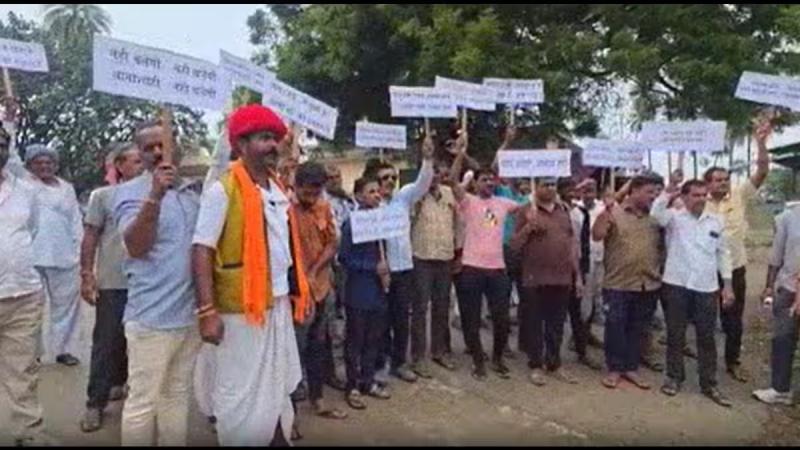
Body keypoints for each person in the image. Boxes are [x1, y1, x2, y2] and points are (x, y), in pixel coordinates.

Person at [191, 105, 312, 446]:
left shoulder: (278, 190)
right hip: (240, 309)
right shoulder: (223, 190)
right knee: (239, 390)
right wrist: (207, 311)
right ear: (241, 145)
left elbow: (286, 251)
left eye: (275, 138)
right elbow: (201, 249)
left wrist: (300, 294)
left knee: (276, 383)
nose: (273, 145)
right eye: (263, 138)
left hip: (278, 304)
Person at [112, 119, 202, 446]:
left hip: (189, 317)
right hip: (150, 319)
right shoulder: (127, 193)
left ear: (175, 145)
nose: (157, 152)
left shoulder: (192, 192)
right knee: (142, 403)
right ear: (139, 153)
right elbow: (136, 247)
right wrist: (154, 196)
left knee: (176, 395)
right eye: (148, 148)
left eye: (162, 144)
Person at [652, 179, 734, 408]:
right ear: (685, 197)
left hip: (706, 287)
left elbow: (723, 254)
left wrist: (727, 286)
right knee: (675, 335)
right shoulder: (673, 218)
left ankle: (709, 384)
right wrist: (669, 191)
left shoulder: (716, 221)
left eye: (703, 195)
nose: (700, 199)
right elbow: (655, 214)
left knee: (707, 337)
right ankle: (674, 377)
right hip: (676, 284)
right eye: (695, 195)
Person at [702, 115, 773, 383]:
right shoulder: (697, 202)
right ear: (707, 184)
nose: (723, 183)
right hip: (706, 271)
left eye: (726, 179)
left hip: (735, 269)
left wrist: (761, 143)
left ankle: (732, 362)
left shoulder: (740, 195)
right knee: (705, 320)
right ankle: (706, 364)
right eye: (718, 180)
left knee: (733, 320)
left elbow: (762, 172)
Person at [79, 142, 144, 432]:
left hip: (148, 283)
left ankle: (123, 384)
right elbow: (90, 236)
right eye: (135, 161)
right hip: (114, 281)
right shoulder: (103, 196)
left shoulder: (157, 194)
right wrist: (86, 274)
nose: (142, 165)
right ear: (119, 165)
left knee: (140, 341)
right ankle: (95, 403)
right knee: (107, 341)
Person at [0, 125, 52, 446]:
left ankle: (28, 432)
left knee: (22, 370)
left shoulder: (25, 191)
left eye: (2, 143)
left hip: (22, 294)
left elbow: (30, 231)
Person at [450, 159, 523, 380]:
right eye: (484, 179)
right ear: (475, 183)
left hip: (497, 270)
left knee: (501, 319)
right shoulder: (468, 202)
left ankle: (497, 359)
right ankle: (477, 361)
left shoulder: (503, 203)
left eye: (492, 179)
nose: (489, 183)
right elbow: (452, 181)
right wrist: (460, 155)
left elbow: (527, 207)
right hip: (471, 269)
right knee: (471, 319)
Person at [372, 133, 435, 384]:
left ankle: (400, 363)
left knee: (401, 319)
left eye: (393, 177)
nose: (389, 181)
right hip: (381, 272)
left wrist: (427, 159)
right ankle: (380, 363)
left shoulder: (403, 198)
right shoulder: (370, 205)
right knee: (380, 320)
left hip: (404, 269)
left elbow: (423, 183)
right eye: (384, 178)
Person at [591, 176, 662, 390]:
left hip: (647, 284)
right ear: (635, 191)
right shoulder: (614, 213)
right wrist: (605, 213)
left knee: (638, 328)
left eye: (655, 192)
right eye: (649, 192)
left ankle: (631, 367)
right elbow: (597, 235)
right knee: (615, 326)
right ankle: (614, 368)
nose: (653, 196)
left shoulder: (656, 220)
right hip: (618, 284)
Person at [510, 177, 582, 386]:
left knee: (556, 325)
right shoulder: (526, 211)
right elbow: (514, 245)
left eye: (553, 185)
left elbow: (571, 245)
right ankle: (535, 365)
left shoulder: (564, 211)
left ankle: (554, 363)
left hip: (561, 277)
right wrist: (528, 228)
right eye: (545, 185)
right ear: (536, 187)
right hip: (534, 277)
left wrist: (577, 276)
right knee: (534, 323)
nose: (550, 188)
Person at [291, 161, 348, 420]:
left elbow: (332, 243)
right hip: (295, 292)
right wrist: (302, 277)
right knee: (294, 350)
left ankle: (318, 399)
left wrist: (314, 271)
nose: (311, 198)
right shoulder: (284, 210)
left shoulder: (323, 207)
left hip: (322, 287)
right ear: (296, 186)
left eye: (316, 193)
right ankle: (289, 412)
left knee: (318, 344)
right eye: (307, 192)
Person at [25, 143, 84, 366]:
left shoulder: (66, 188)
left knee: (66, 305)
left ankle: (63, 350)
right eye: (38, 163)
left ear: (56, 165)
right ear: (30, 166)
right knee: (31, 307)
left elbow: (75, 220)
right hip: (31, 256)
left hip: (64, 255)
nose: (44, 166)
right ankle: (32, 351)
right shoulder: (23, 185)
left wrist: (79, 249)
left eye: (49, 162)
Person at [338, 176, 392, 410]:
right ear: (359, 196)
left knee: (374, 339)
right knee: (355, 340)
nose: (377, 195)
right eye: (371, 191)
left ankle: (368, 381)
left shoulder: (382, 221)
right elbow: (344, 258)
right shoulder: (352, 223)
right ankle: (352, 385)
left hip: (379, 291)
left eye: (378, 191)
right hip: (359, 291)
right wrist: (371, 267)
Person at [409, 158, 460, 377]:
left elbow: (457, 223)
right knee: (420, 308)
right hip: (421, 257)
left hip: (445, 256)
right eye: (430, 172)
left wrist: (458, 252)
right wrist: (417, 204)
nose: (434, 177)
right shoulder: (414, 194)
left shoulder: (448, 194)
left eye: (438, 173)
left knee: (442, 306)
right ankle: (418, 357)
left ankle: (439, 351)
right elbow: (408, 222)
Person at [753, 203, 800, 405]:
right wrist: (769, 287)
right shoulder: (788, 217)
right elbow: (776, 256)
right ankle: (780, 389)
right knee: (783, 339)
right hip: (789, 287)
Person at [557, 177, 602, 371]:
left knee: (581, 312)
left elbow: (582, 243)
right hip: (557, 268)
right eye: (567, 188)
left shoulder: (581, 213)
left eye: (573, 189)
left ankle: (581, 350)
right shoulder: (555, 210)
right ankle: (552, 355)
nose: (571, 192)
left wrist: (582, 272)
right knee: (556, 314)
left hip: (579, 267)